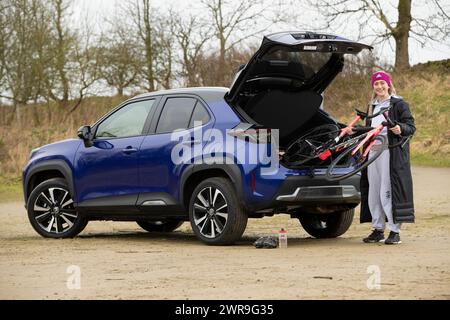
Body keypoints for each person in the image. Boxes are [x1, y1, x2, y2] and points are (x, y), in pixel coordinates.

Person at [343, 71, 416, 244]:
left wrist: (400, 128)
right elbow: (370, 130)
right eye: (376, 84)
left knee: (387, 191)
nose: (380, 87)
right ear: (373, 87)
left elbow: (410, 126)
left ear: (389, 85)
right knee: (373, 191)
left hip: (390, 153)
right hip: (372, 152)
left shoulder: (398, 104)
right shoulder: (372, 106)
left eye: (383, 83)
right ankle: (377, 229)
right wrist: (353, 130)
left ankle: (394, 231)